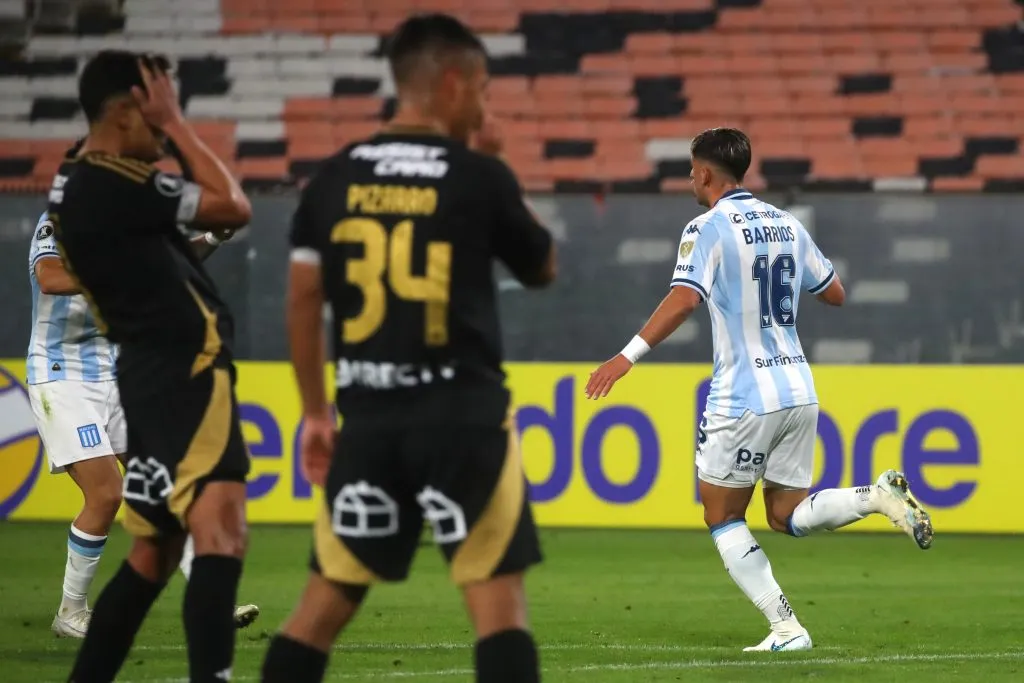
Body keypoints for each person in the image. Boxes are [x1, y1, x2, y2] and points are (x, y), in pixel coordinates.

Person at [260, 14, 556, 683]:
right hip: (464, 421)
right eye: (481, 88)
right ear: (452, 84)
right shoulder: (478, 175)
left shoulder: (332, 178)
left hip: (368, 423)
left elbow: (304, 300)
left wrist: (314, 411)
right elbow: (542, 269)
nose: (484, 104)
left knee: (319, 608)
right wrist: (498, 161)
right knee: (500, 611)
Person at [585, 128, 933, 652]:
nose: (689, 178)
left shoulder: (706, 226)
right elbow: (835, 292)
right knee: (785, 514)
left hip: (744, 393)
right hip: (797, 386)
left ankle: (786, 626)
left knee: (721, 514)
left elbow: (684, 299)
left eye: (690, 169)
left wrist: (624, 357)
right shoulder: (786, 222)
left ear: (704, 173)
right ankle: (875, 496)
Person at [50, 50, 252, 682]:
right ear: (122, 111)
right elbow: (232, 204)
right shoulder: (114, 181)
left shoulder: (82, 184)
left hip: (145, 372)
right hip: (185, 370)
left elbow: (166, 259)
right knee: (220, 534)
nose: (163, 131)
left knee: (155, 551)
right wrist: (185, 127)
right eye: (154, 115)